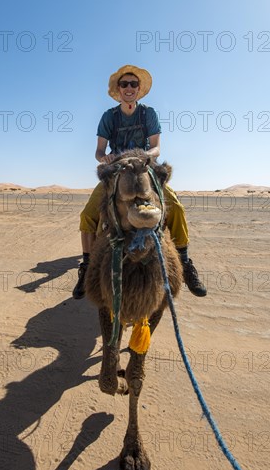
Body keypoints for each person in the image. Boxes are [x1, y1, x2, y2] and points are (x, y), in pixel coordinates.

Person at [73, 64, 207, 299]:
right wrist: (106, 158)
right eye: (124, 84)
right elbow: (99, 151)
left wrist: (144, 156)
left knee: (175, 207)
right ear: (118, 88)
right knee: (88, 215)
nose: (129, 88)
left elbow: (156, 146)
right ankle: (86, 268)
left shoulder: (148, 114)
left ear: (139, 89)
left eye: (133, 84)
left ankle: (185, 264)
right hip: (117, 169)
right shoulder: (109, 117)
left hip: (145, 166)